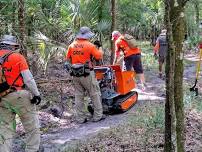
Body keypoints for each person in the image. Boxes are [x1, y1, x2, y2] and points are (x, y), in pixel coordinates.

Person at [0, 35, 41, 152]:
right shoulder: (17, 57)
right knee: (31, 125)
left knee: (4, 129)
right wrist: (36, 94)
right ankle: (32, 149)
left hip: (2, 98)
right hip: (19, 95)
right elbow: (28, 79)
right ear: (12, 45)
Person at [65, 26, 104, 123]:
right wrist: (100, 47)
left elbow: (68, 59)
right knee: (94, 93)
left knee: (78, 96)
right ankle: (98, 116)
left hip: (75, 74)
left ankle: (80, 118)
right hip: (87, 74)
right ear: (87, 35)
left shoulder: (72, 45)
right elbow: (99, 56)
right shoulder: (90, 45)